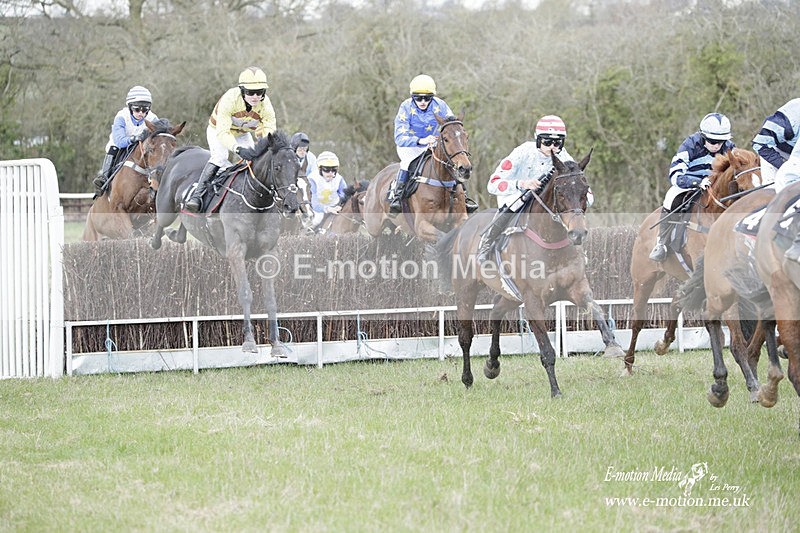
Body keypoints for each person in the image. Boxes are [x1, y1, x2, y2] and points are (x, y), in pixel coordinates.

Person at [477, 115, 577, 264]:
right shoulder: (522, 152)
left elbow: (583, 192)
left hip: (547, 201)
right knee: (517, 203)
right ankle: (486, 244)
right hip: (517, 195)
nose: (552, 147)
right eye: (547, 142)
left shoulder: (564, 157)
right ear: (538, 140)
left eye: (557, 143)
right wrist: (522, 184)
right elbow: (492, 184)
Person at [185, 66, 277, 213]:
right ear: (242, 90)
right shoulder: (229, 98)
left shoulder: (265, 104)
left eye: (259, 92)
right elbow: (223, 133)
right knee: (221, 157)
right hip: (218, 131)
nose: (255, 96)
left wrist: (264, 144)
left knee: (253, 161)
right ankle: (197, 196)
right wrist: (238, 149)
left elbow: (270, 130)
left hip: (241, 133)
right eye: (250, 92)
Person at [649, 112, 734, 262]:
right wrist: (696, 182)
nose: (717, 146)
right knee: (670, 198)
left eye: (720, 142)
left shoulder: (729, 147)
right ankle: (661, 242)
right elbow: (675, 174)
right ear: (703, 136)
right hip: (690, 184)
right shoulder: (690, 144)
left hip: (716, 187)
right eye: (712, 141)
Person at [389, 74, 455, 213]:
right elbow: (400, 136)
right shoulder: (406, 107)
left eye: (427, 98)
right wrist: (421, 141)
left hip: (434, 144)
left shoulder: (441, 105)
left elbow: (451, 125)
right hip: (410, 146)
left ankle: (462, 195)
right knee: (407, 162)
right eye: (419, 98)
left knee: (451, 161)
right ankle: (397, 196)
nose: (423, 101)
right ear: (413, 97)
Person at [93, 85, 159, 192]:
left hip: (142, 148)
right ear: (129, 107)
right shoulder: (122, 117)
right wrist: (134, 139)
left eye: (145, 110)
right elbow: (119, 141)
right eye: (137, 109)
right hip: (121, 145)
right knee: (112, 148)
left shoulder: (153, 118)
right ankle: (104, 178)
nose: (141, 113)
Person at [752, 98, 800, 185]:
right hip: (775, 150)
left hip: (796, 153)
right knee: (776, 188)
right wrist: (784, 167)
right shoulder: (789, 120)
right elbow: (759, 144)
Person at [308, 151, 347, 229]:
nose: (330, 173)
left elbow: (345, 195)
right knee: (317, 219)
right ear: (320, 169)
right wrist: (328, 209)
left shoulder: (339, 179)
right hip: (316, 209)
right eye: (326, 170)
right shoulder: (312, 179)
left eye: (334, 170)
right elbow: (314, 203)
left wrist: (341, 206)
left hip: (335, 206)